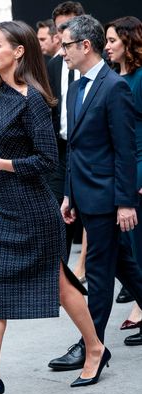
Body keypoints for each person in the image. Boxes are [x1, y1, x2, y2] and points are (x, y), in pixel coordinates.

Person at [0, 20, 110, 394]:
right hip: (3, 207)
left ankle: (95, 347)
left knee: (59, 285)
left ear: (18, 51)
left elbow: (47, 160)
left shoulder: (32, 99)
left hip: (33, 211)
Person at [48, 14, 142, 371]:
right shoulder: (74, 87)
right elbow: (74, 148)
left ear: (85, 45)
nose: (62, 51)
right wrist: (69, 194)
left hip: (107, 198)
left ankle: (93, 345)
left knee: (100, 272)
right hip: (83, 195)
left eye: (66, 44)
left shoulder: (114, 86)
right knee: (125, 266)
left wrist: (125, 202)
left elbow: (125, 149)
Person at [105, 15, 142, 346]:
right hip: (125, 170)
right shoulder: (118, 78)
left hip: (140, 170)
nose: (107, 46)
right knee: (134, 249)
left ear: (128, 41)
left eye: (113, 40)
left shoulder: (141, 78)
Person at [47, 1, 85, 260]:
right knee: (58, 217)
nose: (63, 32)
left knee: (95, 219)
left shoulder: (97, 64)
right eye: (60, 27)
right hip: (61, 151)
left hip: (90, 150)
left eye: (69, 25)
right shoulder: (51, 66)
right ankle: (61, 277)